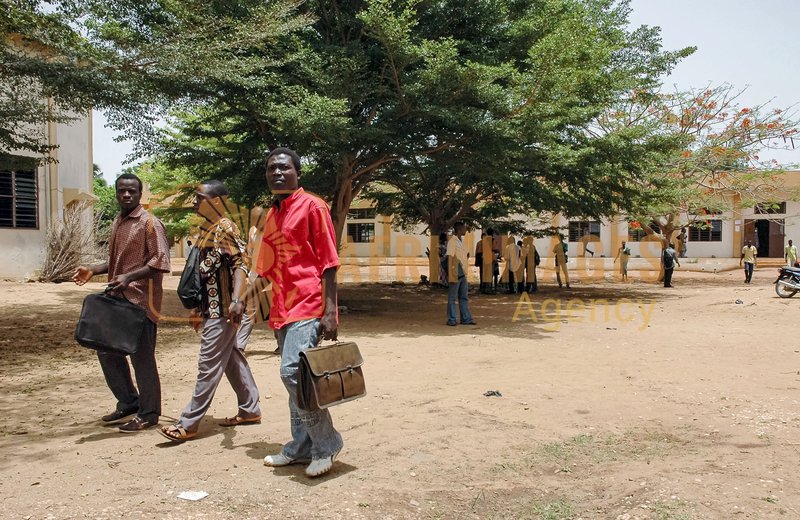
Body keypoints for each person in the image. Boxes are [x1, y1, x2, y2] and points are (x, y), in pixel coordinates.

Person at [257, 147, 343, 478]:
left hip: (308, 303)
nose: (277, 173)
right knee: (299, 381)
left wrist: (330, 311)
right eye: (271, 169)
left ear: (297, 173)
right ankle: (301, 447)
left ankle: (327, 443)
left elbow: (329, 262)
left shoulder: (313, 207)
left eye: (284, 168)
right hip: (282, 307)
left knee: (292, 372)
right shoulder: (273, 213)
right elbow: (266, 266)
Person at [158, 180, 261, 442]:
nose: (194, 202)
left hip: (223, 311)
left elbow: (240, 265)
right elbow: (202, 277)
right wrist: (197, 308)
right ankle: (250, 409)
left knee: (208, 365)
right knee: (231, 358)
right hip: (211, 309)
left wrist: (236, 300)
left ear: (216, 202)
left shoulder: (225, 228)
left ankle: (188, 423)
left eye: (199, 197)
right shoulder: (207, 230)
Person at [72, 173, 171, 433]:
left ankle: (149, 413)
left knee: (142, 359)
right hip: (117, 299)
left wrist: (129, 277)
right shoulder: (118, 221)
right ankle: (129, 402)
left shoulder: (150, 223)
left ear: (140, 194)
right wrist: (94, 269)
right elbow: (118, 261)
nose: (126, 195)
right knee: (106, 350)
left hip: (141, 303)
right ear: (116, 193)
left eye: (132, 191)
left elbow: (161, 262)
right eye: (122, 190)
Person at [446, 221, 477, 326]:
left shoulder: (462, 241)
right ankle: (452, 319)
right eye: (464, 228)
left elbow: (465, 255)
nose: (466, 230)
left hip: (463, 272)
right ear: (459, 230)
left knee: (464, 297)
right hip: (456, 273)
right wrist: (452, 274)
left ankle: (466, 319)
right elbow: (450, 258)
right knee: (452, 298)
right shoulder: (452, 242)